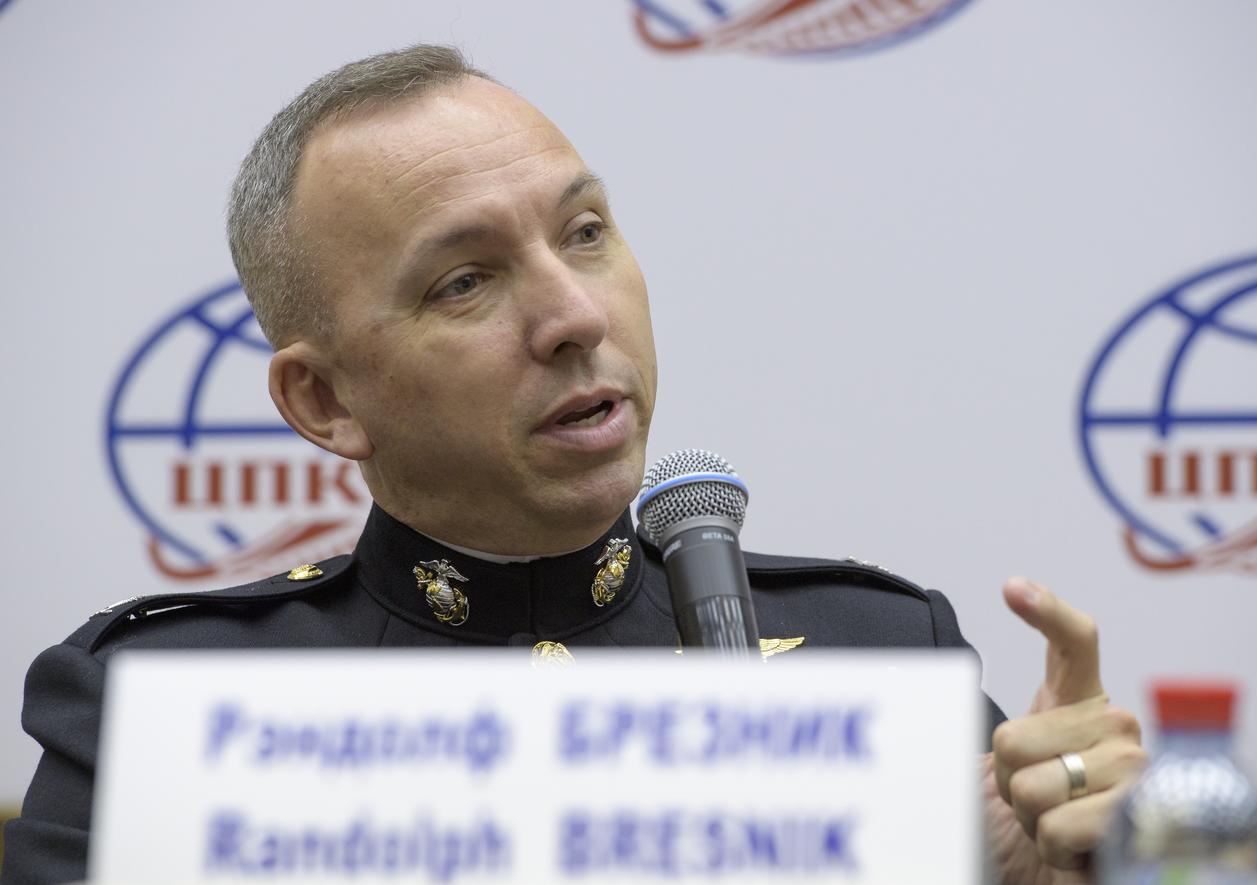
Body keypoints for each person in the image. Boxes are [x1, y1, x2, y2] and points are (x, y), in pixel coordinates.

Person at [1, 45, 1145, 885]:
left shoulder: (884, 657)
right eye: (464, 281)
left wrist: (1075, 871)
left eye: (584, 231)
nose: (570, 314)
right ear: (323, 398)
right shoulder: (160, 712)